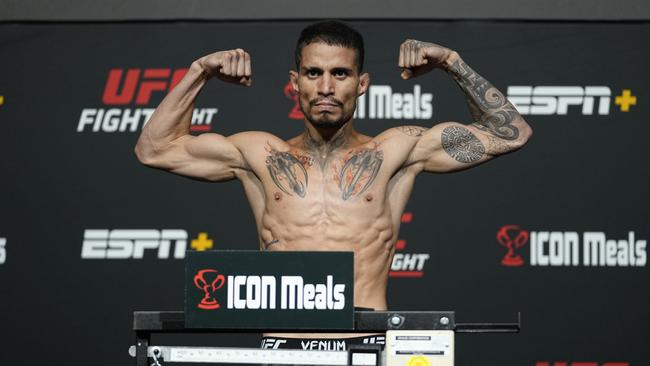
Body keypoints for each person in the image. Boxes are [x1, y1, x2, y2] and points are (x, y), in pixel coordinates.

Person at [134, 20, 532, 350]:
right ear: (295, 82)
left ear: (361, 83)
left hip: (367, 340)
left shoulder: (396, 151)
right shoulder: (259, 155)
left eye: (340, 73)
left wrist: (451, 61)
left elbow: (511, 132)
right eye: (314, 73)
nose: (326, 87)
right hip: (282, 344)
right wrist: (200, 71)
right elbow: (155, 149)